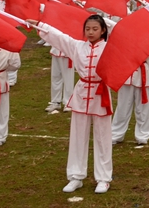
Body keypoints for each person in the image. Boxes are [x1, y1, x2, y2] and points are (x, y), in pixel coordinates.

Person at [33, 15, 115, 194]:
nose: (91, 32)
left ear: (102, 30)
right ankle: (76, 176)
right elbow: (59, 37)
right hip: (81, 92)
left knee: (103, 136)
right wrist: (40, 25)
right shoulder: (77, 46)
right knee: (77, 135)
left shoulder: (110, 48)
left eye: (95, 29)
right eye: (88, 29)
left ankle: (103, 178)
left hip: (101, 95)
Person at [111, 42, 149, 146]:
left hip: (142, 73)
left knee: (144, 107)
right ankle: (116, 134)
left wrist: (145, 60)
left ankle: (143, 135)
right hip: (126, 73)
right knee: (123, 106)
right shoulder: (124, 37)